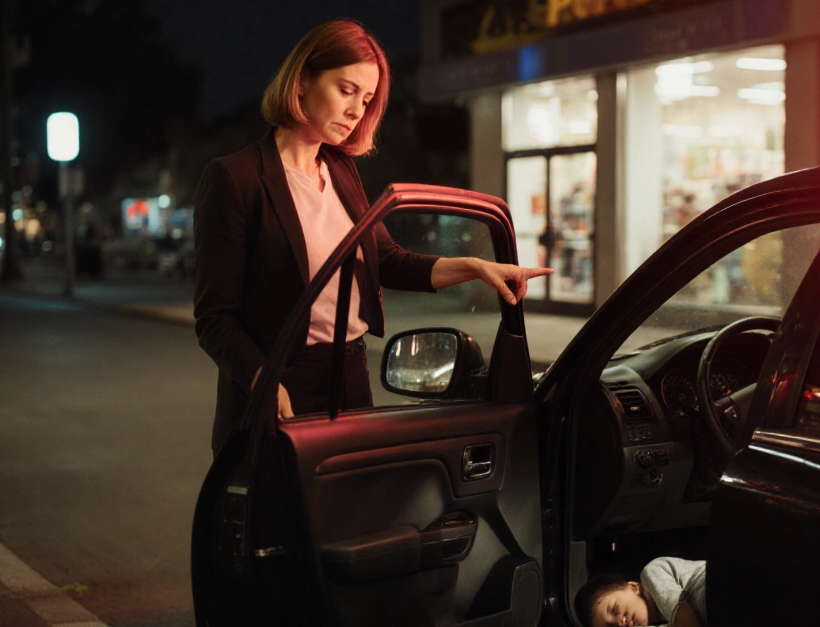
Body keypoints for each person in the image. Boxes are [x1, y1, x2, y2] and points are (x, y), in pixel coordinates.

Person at [193, 19, 551, 456]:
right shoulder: (237, 178)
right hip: (280, 381)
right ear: (302, 80)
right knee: (280, 519)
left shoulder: (342, 171)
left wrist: (475, 268)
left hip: (351, 374)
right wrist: (261, 379)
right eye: (346, 90)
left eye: (365, 99)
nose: (356, 111)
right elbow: (215, 318)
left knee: (351, 516)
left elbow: (390, 260)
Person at [574, 557, 706, 627]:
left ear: (633, 587)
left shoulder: (652, 573)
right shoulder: (662, 626)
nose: (620, 623)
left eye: (614, 609)